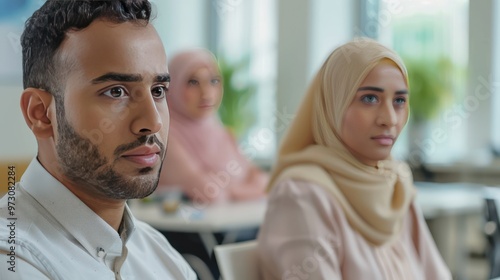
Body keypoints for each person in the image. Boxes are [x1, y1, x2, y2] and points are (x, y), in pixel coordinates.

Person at [0, 1, 196, 279]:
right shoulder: (13, 262)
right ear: (41, 114)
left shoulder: (162, 256)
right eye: (116, 92)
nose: (153, 122)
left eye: (158, 90)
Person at [257, 38, 452, 280]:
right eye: (370, 98)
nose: (390, 119)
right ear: (333, 103)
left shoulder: (396, 184)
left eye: (399, 101)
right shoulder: (302, 195)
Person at [157, 49, 268, 206]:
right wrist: (250, 190)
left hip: (238, 223)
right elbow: (210, 194)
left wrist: (230, 191)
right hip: (190, 229)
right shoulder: (164, 136)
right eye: (193, 82)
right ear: (172, 86)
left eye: (213, 81)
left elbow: (260, 178)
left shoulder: (221, 132)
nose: (206, 93)